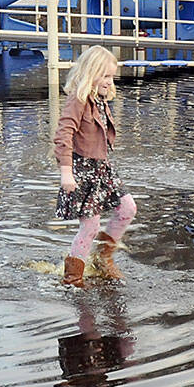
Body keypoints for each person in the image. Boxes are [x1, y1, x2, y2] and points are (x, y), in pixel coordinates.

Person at [53, 46, 136, 288]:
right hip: (82, 171)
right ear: (91, 73)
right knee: (90, 226)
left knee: (128, 208)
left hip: (102, 169)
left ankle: (102, 257)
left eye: (112, 77)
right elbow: (63, 135)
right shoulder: (78, 101)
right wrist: (66, 173)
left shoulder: (100, 100)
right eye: (106, 76)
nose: (110, 82)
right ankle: (72, 278)